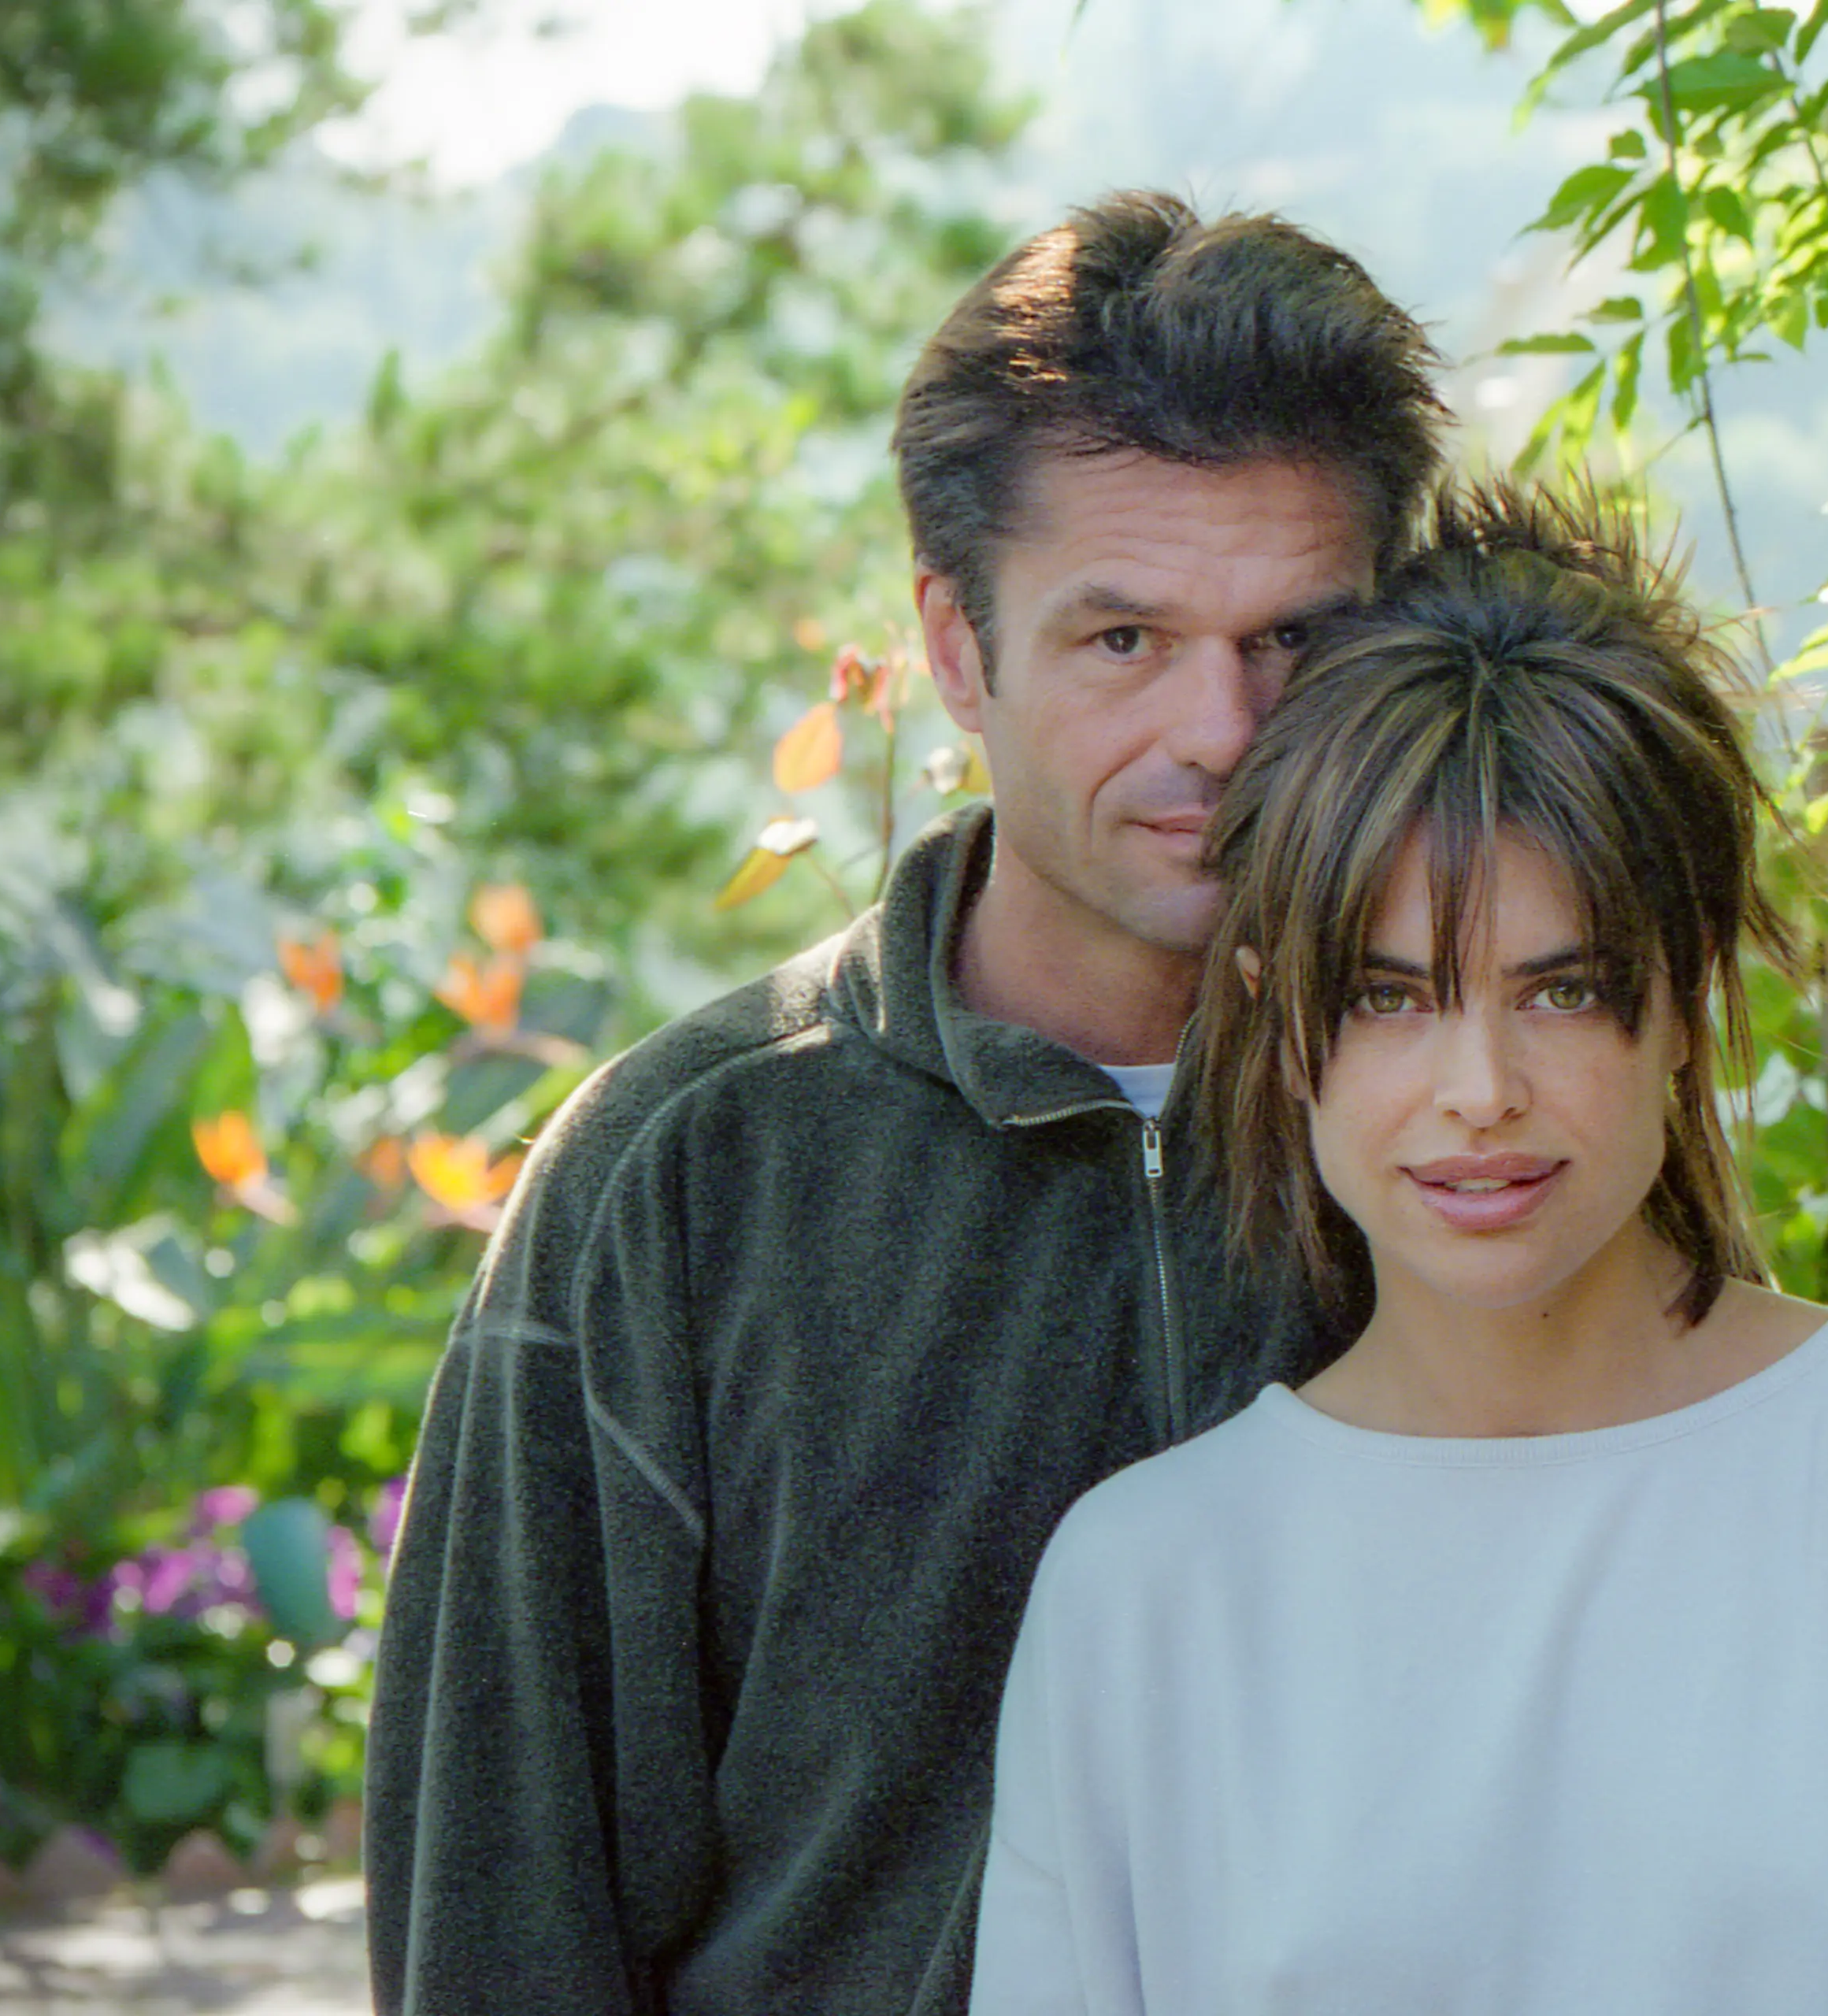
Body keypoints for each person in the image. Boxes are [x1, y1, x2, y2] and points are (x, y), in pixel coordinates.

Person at [363, 191, 1446, 2015]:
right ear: (956, 647)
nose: (1222, 730)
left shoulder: (1489, 1146)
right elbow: (501, 1913)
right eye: (1123, 638)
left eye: (1293, 641)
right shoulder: (679, 1182)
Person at [967, 484, 1828, 2015]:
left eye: (1562, 990)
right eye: (1390, 996)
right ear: (1280, 1018)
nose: (1481, 1089)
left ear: (1685, 1000)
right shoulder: (1147, 1591)